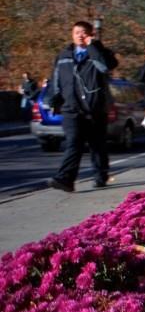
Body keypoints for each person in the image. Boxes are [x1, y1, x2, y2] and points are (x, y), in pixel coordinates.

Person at [46, 20, 118, 192]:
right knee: (73, 143)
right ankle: (65, 179)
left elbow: (105, 67)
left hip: (95, 109)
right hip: (71, 109)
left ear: (90, 34)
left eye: (84, 32)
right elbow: (56, 80)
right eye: (77, 32)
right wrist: (53, 100)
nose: (80, 35)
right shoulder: (63, 56)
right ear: (72, 35)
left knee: (97, 145)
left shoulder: (100, 53)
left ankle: (101, 175)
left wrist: (93, 46)